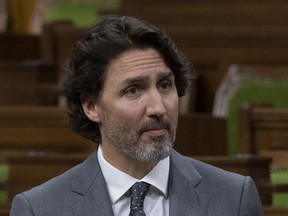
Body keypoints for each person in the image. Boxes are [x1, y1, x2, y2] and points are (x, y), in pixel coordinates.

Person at [10, 15, 263, 216]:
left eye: (165, 85)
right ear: (91, 106)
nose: (158, 108)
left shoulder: (234, 198)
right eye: (133, 90)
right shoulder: (40, 209)